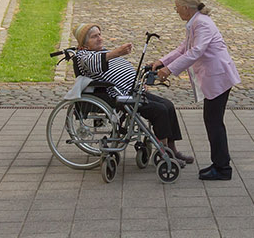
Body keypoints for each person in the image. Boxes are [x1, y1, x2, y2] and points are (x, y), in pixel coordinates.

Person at [149, 0, 241, 181]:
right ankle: (220, 164)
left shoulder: (202, 24)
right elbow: (184, 48)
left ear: (185, 7)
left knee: (214, 123)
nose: (176, 11)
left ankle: (222, 168)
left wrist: (169, 70)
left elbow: (196, 51)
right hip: (214, 77)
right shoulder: (196, 22)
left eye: (176, 7)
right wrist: (163, 62)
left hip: (219, 77)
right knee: (213, 122)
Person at [70, 23, 192, 164]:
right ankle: (164, 153)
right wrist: (117, 52)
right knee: (159, 110)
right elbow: (95, 63)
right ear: (84, 43)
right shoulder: (83, 56)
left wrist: (140, 83)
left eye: (99, 34)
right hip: (119, 96)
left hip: (134, 91)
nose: (99, 38)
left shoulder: (102, 51)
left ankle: (172, 149)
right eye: (94, 36)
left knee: (168, 105)